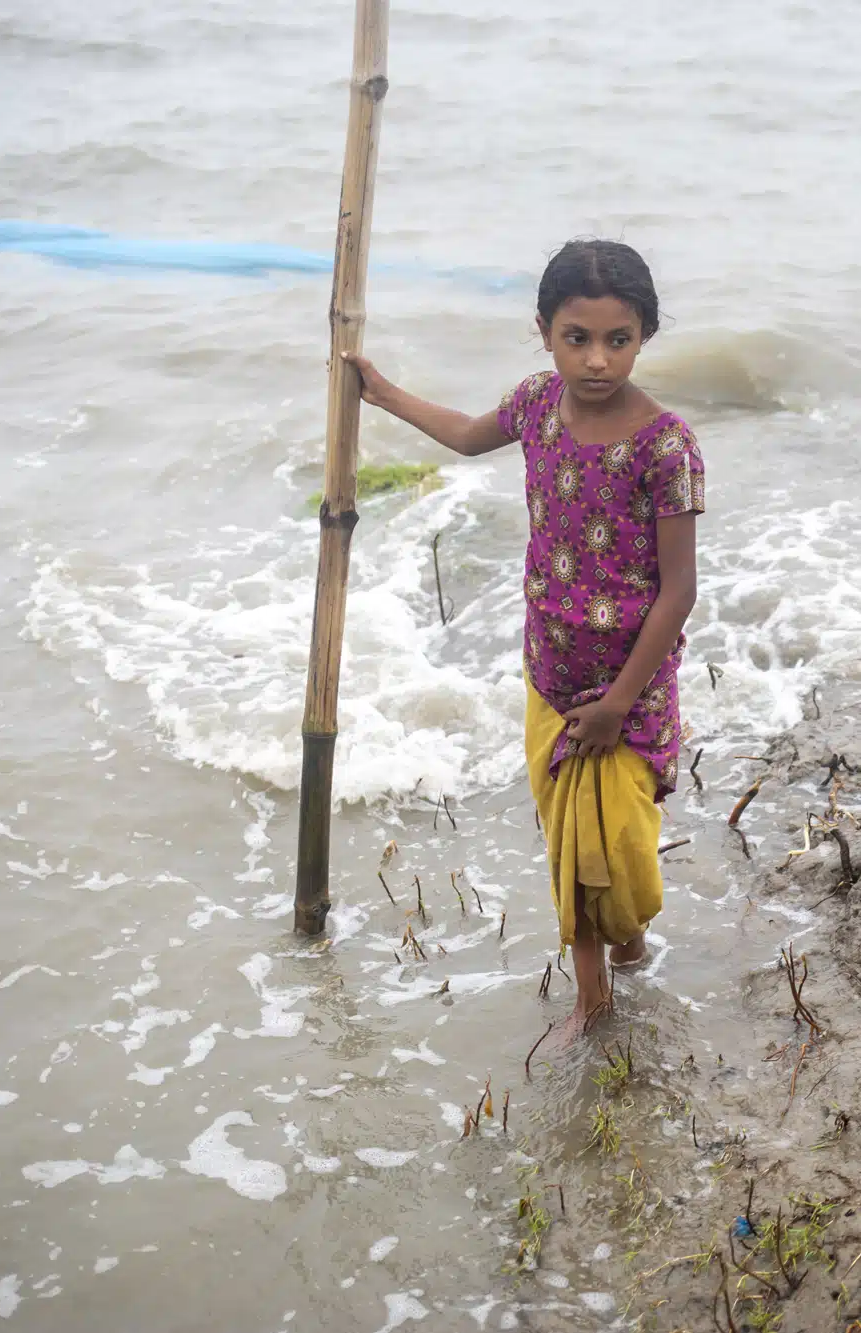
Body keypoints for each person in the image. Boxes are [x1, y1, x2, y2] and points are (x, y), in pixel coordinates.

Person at [343, 239, 702, 1041]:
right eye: (578, 337)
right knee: (574, 846)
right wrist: (382, 393)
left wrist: (617, 703)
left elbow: (679, 590)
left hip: (628, 687)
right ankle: (594, 995)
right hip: (552, 669)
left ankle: (632, 944)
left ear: (645, 335)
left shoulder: (665, 446)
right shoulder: (538, 404)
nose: (598, 359)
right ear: (544, 332)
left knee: (619, 847)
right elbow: (469, 435)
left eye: (618, 339)